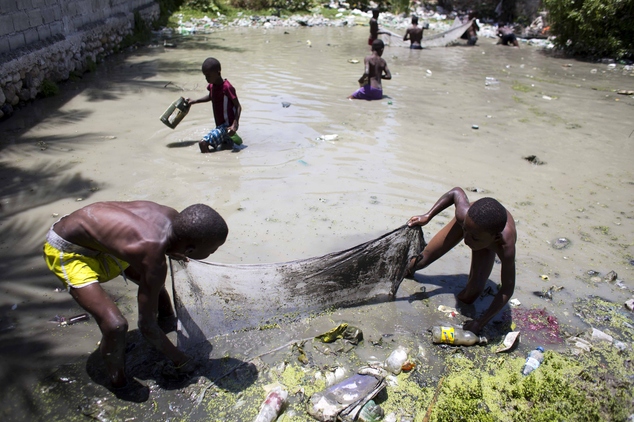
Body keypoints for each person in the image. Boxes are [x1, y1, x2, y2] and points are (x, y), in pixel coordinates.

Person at [43, 201, 228, 389]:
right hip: (67, 249)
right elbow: (145, 326)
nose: (214, 252)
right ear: (189, 249)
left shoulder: (174, 220)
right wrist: (181, 361)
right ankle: (118, 381)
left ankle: (167, 321)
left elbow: (163, 254)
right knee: (116, 325)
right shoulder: (151, 253)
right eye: (213, 250)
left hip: (99, 241)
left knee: (153, 284)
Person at [405, 187, 516, 334]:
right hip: (474, 224)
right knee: (418, 262)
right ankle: (467, 230)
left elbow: (507, 289)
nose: (465, 241)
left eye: (473, 238)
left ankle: (476, 238)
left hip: (487, 240)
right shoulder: (465, 215)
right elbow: (456, 192)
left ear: (495, 238)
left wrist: (480, 323)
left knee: (470, 297)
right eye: (464, 232)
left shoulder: (505, 247)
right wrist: (427, 216)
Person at [187, 57, 242, 153]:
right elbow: (211, 96)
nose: (206, 78)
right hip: (220, 126)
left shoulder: (227, 87)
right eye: (205, 76)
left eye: (208, 75)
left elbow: (238, 106)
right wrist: (194, 101)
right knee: (225, 149)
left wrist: (235, 124)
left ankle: (209, 166)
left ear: (218, 73)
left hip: (226, 127)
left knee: (203, 143)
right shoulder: (212, 86)